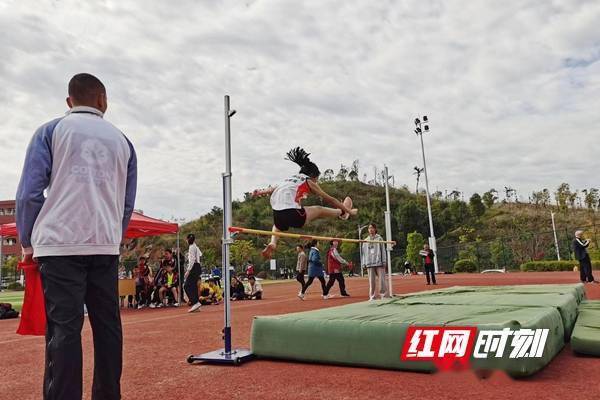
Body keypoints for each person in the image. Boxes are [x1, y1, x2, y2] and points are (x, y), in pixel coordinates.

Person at [16, 73, 136, 400]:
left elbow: (29, 194)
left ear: (69, 102)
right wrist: (114, 235)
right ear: (103, 101)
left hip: (59, 244)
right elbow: (126, 203)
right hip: (105, 244)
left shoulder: (51, 131)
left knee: (65, 330)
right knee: (108, 326)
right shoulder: (124, 141)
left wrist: (27, 243)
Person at [253, 147, 358, 258]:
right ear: (312, 176)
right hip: (294, 214)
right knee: (319, 210)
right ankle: (342, 213)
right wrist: (349, 211)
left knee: (277, 226)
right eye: (317, 179)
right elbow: (331, 199)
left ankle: (273, 242)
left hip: (277, 214)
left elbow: (271, 189)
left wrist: (259, 192)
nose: (317, 182)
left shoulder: (288, 180)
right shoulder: (308, 181)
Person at [361, 224, 388, 300]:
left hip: (379, 262)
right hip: (369, 262)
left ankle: (383, 294)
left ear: (375, 229)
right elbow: (364, 253)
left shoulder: (379, 238)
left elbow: (383, 250)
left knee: (382, 279)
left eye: (372, 228)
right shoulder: (365, 240)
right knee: (371, 281)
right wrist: (364, 263)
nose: (371, 229)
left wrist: (384, 261)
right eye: (369, 228)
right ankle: (372, 296)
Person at [184, 234, 203, 313]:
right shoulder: (196, 246)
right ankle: (197, 304)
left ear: (187, 240)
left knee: (187, 286)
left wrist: (188, 270)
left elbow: (192, 260)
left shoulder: (191, 247)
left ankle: (195, 302)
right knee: (193, 286)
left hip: (194, 267)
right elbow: (200, 254)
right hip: (198, 266)